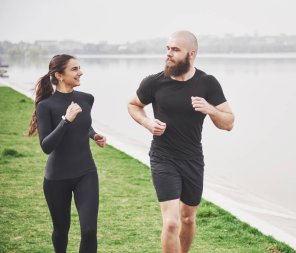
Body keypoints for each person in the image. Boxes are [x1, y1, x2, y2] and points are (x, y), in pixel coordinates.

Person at [128, 31, 234, 253]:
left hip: (193, 159)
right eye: (167, 48)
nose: (169, 54)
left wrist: (210, 109)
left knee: (187, 219)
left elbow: (228, 123)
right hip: (163, 157)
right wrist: (147, 123)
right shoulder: (154, 82)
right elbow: (133, 105)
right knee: (172, 222)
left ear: (191, 53)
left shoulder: (207, 83)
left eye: (175, 50)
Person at [28, 54, 106, 253]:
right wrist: (66, 120)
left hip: (86, 172)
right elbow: (46, 146)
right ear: (59, 75)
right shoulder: (45, 106)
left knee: (89, 230)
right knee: (61, 230)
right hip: (57, 177)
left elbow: (84, 125)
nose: (80, 72)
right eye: (74, 69)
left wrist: (94, 134)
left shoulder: (87, 98)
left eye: (79, 68)